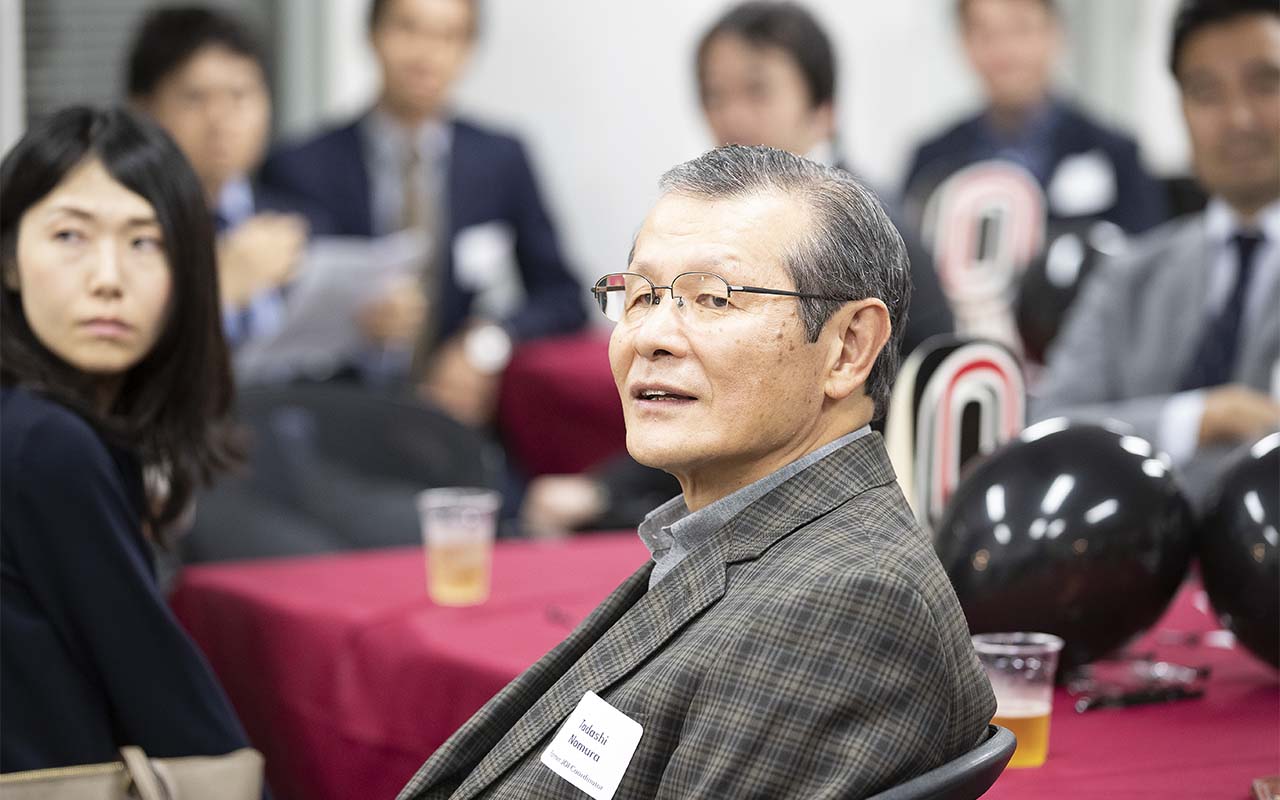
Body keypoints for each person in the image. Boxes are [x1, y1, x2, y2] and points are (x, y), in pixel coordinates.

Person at [400, 145, 996, 799]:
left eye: (710, 299)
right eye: (640, 295)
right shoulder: (729, 534)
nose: (650, 336)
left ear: (848, 348)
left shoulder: (846, 601)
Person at [521, 1, 955, 538]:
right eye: (714, 95)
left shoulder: (853, 228)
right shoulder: (733, 224)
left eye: (757, 90)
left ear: (824, 107)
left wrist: (608, 494)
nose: (731, 115)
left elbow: (753, 406)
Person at [0, 107, 253, 771]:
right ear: (8, 261)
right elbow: (176, 715)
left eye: (145, 242)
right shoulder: (43, 445)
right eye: (69, 236)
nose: (107, 278)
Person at [261, 0, 585, 426]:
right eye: (408, 28)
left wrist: (488, 341)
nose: (425, 53)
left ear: (468, 51)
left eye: (448, 36)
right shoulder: (302, 165)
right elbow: (273, 313)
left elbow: (562, 296)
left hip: (462, 418)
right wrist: (350, 320)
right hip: (336, 416)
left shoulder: (500, 159)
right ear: (373, 35)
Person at [1031, 0, 1280, 509]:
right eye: (1206, 92)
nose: (1238, 118)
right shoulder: (1129, 273)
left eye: (1265, 84)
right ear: (1182, 107)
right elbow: (1050, 424)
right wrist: (1201, 418)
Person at [127, 6, 321, 351]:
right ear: (143, 111)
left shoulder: (303, 224)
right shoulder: (124, 238)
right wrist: (219, 288)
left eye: (240, 95)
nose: (220, 119)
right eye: (195, 97)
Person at [903, 0, 1168, 236]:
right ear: (963, 42)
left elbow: (1148, 263)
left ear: (1055, 33)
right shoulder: (931, 161)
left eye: (1021, 29)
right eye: (985, 33)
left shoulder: (1116, 154)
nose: (1005, 50)